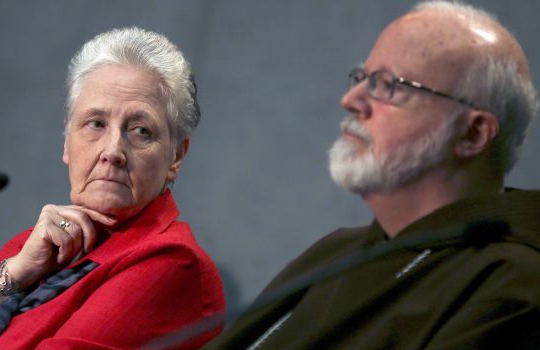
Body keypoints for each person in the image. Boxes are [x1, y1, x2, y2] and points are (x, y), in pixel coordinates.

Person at [204, 1, 540, 349]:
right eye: (362, 78)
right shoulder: (338, 251)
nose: (350, 99)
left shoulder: (516, 283)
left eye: (388, 85)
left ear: (472, 134)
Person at [0, 27, 225, 349]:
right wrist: (15, 271)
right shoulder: (32, 244)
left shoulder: (172, 263)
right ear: (67, 141)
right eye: (96, 123)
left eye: (141, 131)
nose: (113, 151)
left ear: (176, 156)